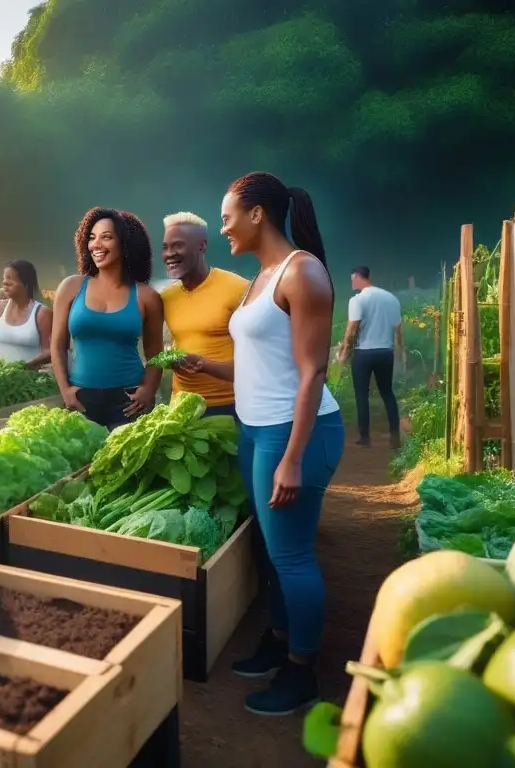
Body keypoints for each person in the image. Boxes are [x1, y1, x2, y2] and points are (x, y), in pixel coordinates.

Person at [206, 171, 345, 716]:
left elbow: (312, 373)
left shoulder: (302, 271)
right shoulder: (261, 276)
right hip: (255, 429)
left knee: (291, 555)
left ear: (257, 213)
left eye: (227, 217)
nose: (224, 229)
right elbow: (258, 364)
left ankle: (301, 673)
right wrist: (204, 366)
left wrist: (291, 458)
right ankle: (280, 640)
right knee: (271, 550)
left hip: (295, 434)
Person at [50, 208, 164, 430]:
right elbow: (57, 345)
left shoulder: (146, 296)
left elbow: (156, 354)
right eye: (92, 238)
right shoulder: (71, 287)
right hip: (82, 399)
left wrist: (148, 390)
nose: (96, 245)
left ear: (126, 244)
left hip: (128, 400)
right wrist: (65, 390)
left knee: (126, 464)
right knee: (85, 464)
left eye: (107, 237)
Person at [159, 211, 249, 417]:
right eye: (165, 247)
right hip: (183, 408)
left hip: (232, 405)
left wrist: (204, 364)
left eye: (178, 245)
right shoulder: (166, 297)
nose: (169, 253)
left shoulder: (238, 288)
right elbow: (171, 340)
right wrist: (170, 356)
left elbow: (257, 358)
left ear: (202, 245)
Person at [337, 266, 405, 448]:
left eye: (353, 279)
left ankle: (365, 437)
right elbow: (398, 329)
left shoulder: (357, 300)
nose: (352, 283)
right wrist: (400, 351)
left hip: (364, 353)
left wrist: (344, 352)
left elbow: (352, 330)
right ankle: (394, 436)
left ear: (360, 278)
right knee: (387, 393)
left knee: (361, 395)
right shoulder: (391, 299)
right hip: (385, 352)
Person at [0, 260, 52, 369]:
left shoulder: (42, 314)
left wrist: (24, 367)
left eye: (10, 279)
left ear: (26, 284)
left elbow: (51, 351)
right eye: (4, 278)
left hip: (31, 380)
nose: (5, 282)